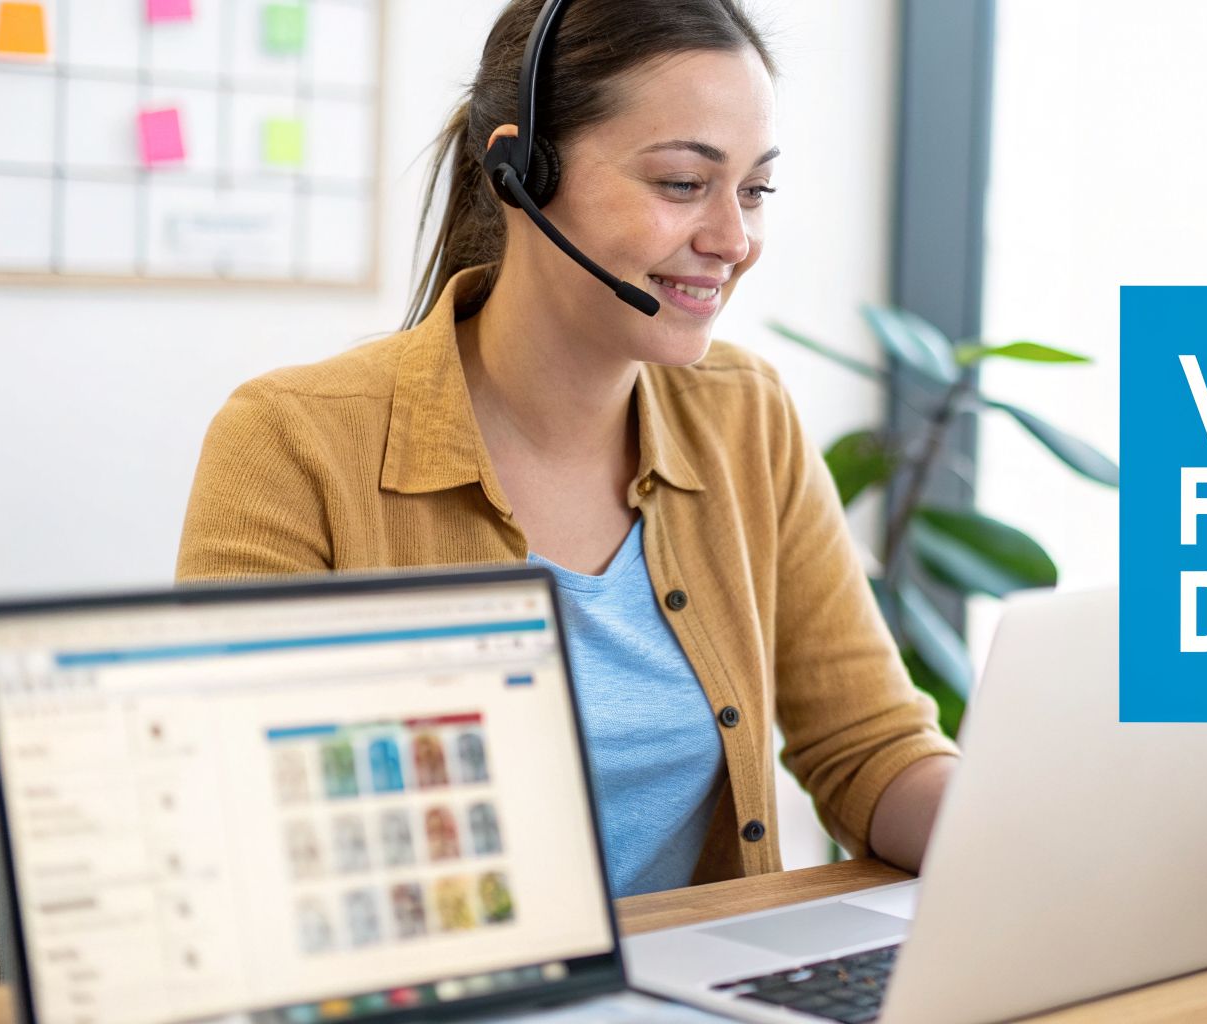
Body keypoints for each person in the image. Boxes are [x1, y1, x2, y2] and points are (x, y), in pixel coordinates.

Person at [175, 0, 958, 898]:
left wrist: (1037, 828)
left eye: (754, 190)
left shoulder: (745, 415)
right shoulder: (294, 441)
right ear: (521, 171)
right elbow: (237, 832)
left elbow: (871, 747)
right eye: (680, 184)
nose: (733, 242)